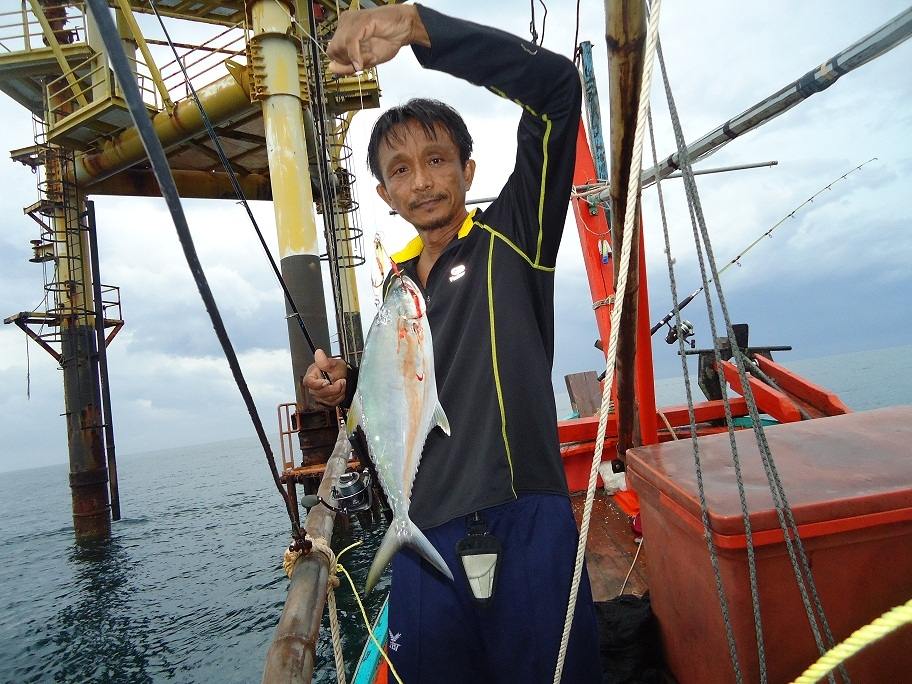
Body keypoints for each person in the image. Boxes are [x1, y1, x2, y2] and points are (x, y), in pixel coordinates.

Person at [305, 4, 600, 682]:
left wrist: (416, 27)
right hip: (422, 533)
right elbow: (406, 384)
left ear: (468, 170)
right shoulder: (396, 288)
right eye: (402, 170)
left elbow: (558, 89)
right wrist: (344, 383)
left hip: (525, 518)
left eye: (437, 160)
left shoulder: (514, 238)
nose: (423, 180)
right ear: (384, 192)